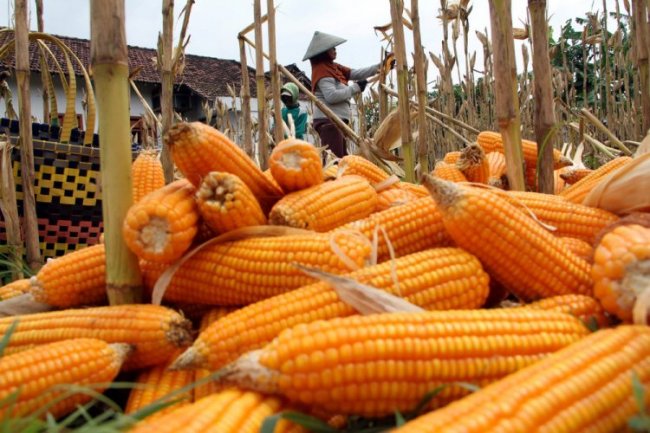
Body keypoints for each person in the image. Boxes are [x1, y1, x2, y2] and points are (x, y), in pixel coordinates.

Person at [303, 31, 391, 158]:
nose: (335, 49)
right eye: (332, 48)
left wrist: (381, 66)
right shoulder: (322, 70)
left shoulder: (334, 67)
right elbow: (331, 96)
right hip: (329, 122)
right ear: (324, 52)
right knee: (334, 162)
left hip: (336, 122)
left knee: (340, 160)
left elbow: (356, 73)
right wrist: (355, 88)